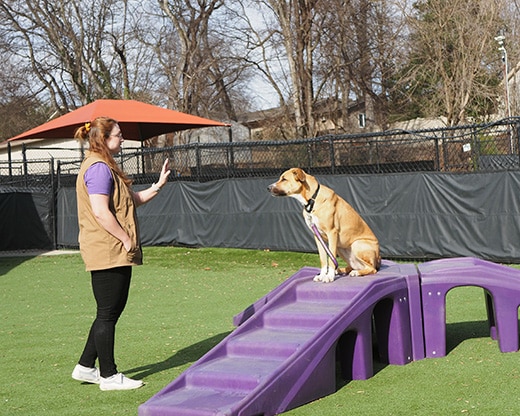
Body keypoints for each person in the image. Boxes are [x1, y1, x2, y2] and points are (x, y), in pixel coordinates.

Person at [71, 116, 170, 391]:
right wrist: (126, 239)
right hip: (107, 249)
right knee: (108, 313)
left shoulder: (105, 167)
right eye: (118, 134)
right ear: (104, 139)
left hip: (109, 249)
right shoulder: (99, 168)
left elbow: (130, 202)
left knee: (109, 311)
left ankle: (85, 366)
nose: (122, 138)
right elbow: (102, 212)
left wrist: (158, 186)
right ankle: (109, 376)